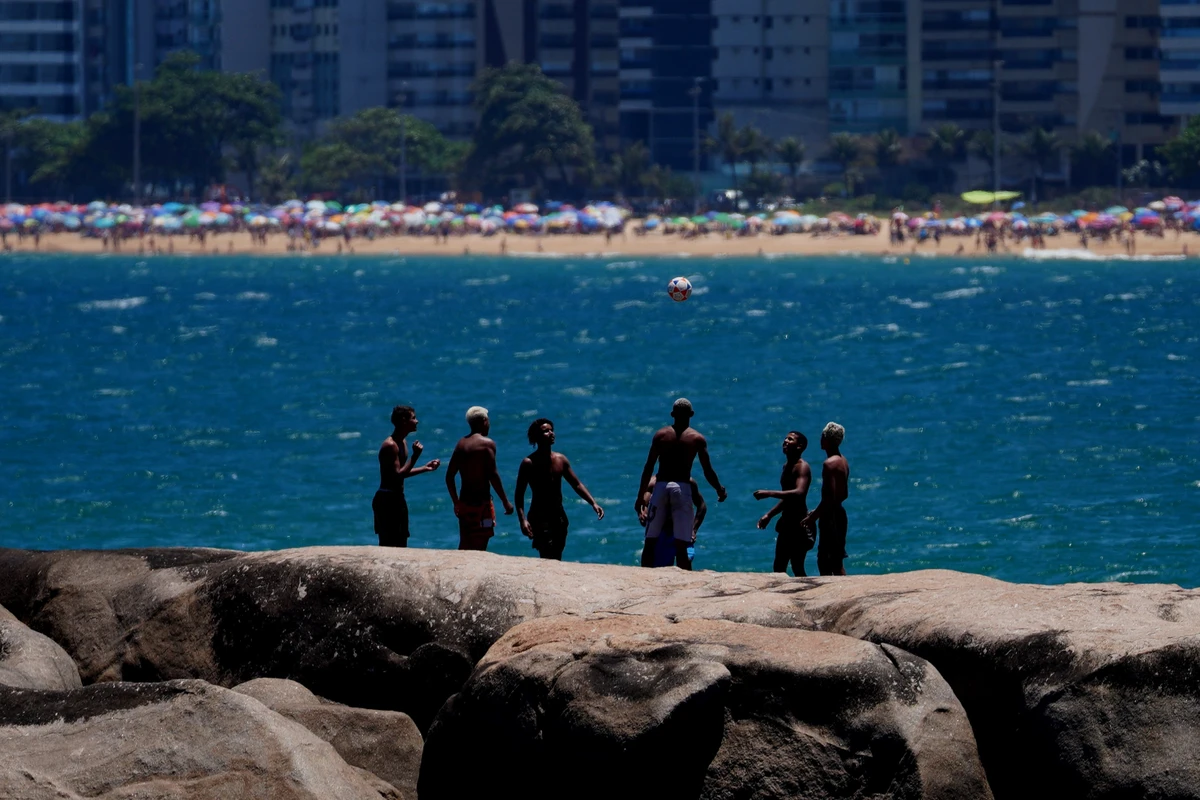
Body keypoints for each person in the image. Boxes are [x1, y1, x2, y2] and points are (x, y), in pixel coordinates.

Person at [634, 398, 728, 561]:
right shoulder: (697, 438)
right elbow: (707, 470)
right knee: (682, 545)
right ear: (691, 414)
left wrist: (639, 498)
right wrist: (719, 489)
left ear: (672, 414)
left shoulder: (661, 435)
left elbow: (648, 467)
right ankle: (686, 578)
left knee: (650, 541)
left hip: (661, 485)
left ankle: (644, 578)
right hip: (681, 486)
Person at [514, 418, 604, 560]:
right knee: (547, 554)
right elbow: (519, 496)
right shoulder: (529, 463)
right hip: (539, 516)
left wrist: (593, 503)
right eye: (545, 431)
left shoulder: (560, 460)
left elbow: (576, 484)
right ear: (537, 437)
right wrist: (522, 520)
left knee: (557, 554)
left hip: (559, 515)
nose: (551, 433)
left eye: (551, 430)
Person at [445, 406, 514, 551]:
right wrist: (505, 501)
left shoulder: (461, 444)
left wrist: (456, 502)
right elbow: (492, 475)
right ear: (484, 421)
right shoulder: (487, 444)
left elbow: (449, 476)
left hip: (464, 502)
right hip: (482, 504)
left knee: (465, 542)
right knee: (481, 542)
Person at [373, 405, 441, 547]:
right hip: (387, 500)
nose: (417, 421)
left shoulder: (402, 442)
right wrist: (415, 457)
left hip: (397, 498)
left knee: (402, 540)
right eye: (413, 418)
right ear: (404, 420)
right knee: (389, 543)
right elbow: (398, 475)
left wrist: (425, 468)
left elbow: (401, 472)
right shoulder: (390, 446)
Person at [752, 431, 814, 576]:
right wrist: (769, 515)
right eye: (785, 438)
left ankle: (804, 597)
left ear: (800, 446)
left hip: (799, 524)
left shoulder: (802, 467)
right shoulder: (786, 466)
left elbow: (799, 493)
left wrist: (769, 493)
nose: (785, 441)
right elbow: (788, 499)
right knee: (779, 566)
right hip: (786, 522)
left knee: (797, 565)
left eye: (790, 439)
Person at [803, 422, 851, 576]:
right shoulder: (843, 460)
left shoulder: (829, 464)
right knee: (836, 559)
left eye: (822, 436)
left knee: (825, 560)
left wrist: (813, 517)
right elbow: (844, 494)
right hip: (839, 514)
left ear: (826, 439)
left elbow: (829, 498)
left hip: (831, 517)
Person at [639, 475, 706, 569]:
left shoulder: (689, 482)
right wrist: (643, 512)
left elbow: (702, 506)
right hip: (662, 532)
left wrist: (693, 530)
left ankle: (686, 581)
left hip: (682, 530)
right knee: (658, 565)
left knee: (685, 560)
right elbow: (644, 503)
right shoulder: (654, 482)